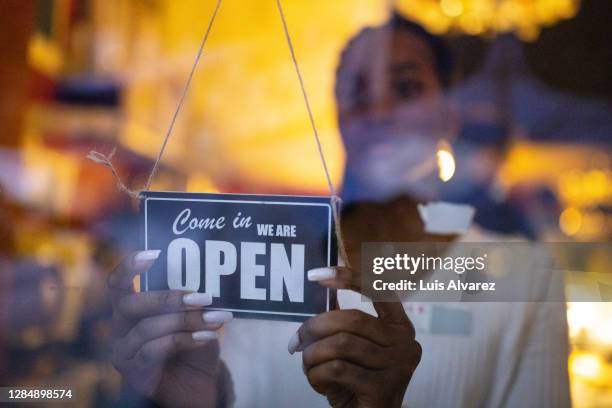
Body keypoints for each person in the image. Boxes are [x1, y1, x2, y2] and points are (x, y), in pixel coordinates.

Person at [109, 13, 570, 408]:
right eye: (357, 91)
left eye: (406, 87)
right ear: (337, 114)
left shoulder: (523, 277)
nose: (379, 109)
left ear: (448, 115)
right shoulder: (270, 258)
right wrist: (200, 394)